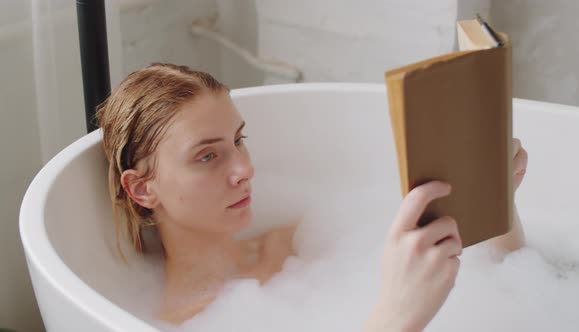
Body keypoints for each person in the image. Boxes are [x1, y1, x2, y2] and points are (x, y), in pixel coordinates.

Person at [97, 63, 528, 330]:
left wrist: (497, 203)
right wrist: (398, 315)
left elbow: (516, 287)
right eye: (208, 155)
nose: (244, 169)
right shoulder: (181, 325)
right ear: (142, 188)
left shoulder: (300, 243)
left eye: (239, 140)